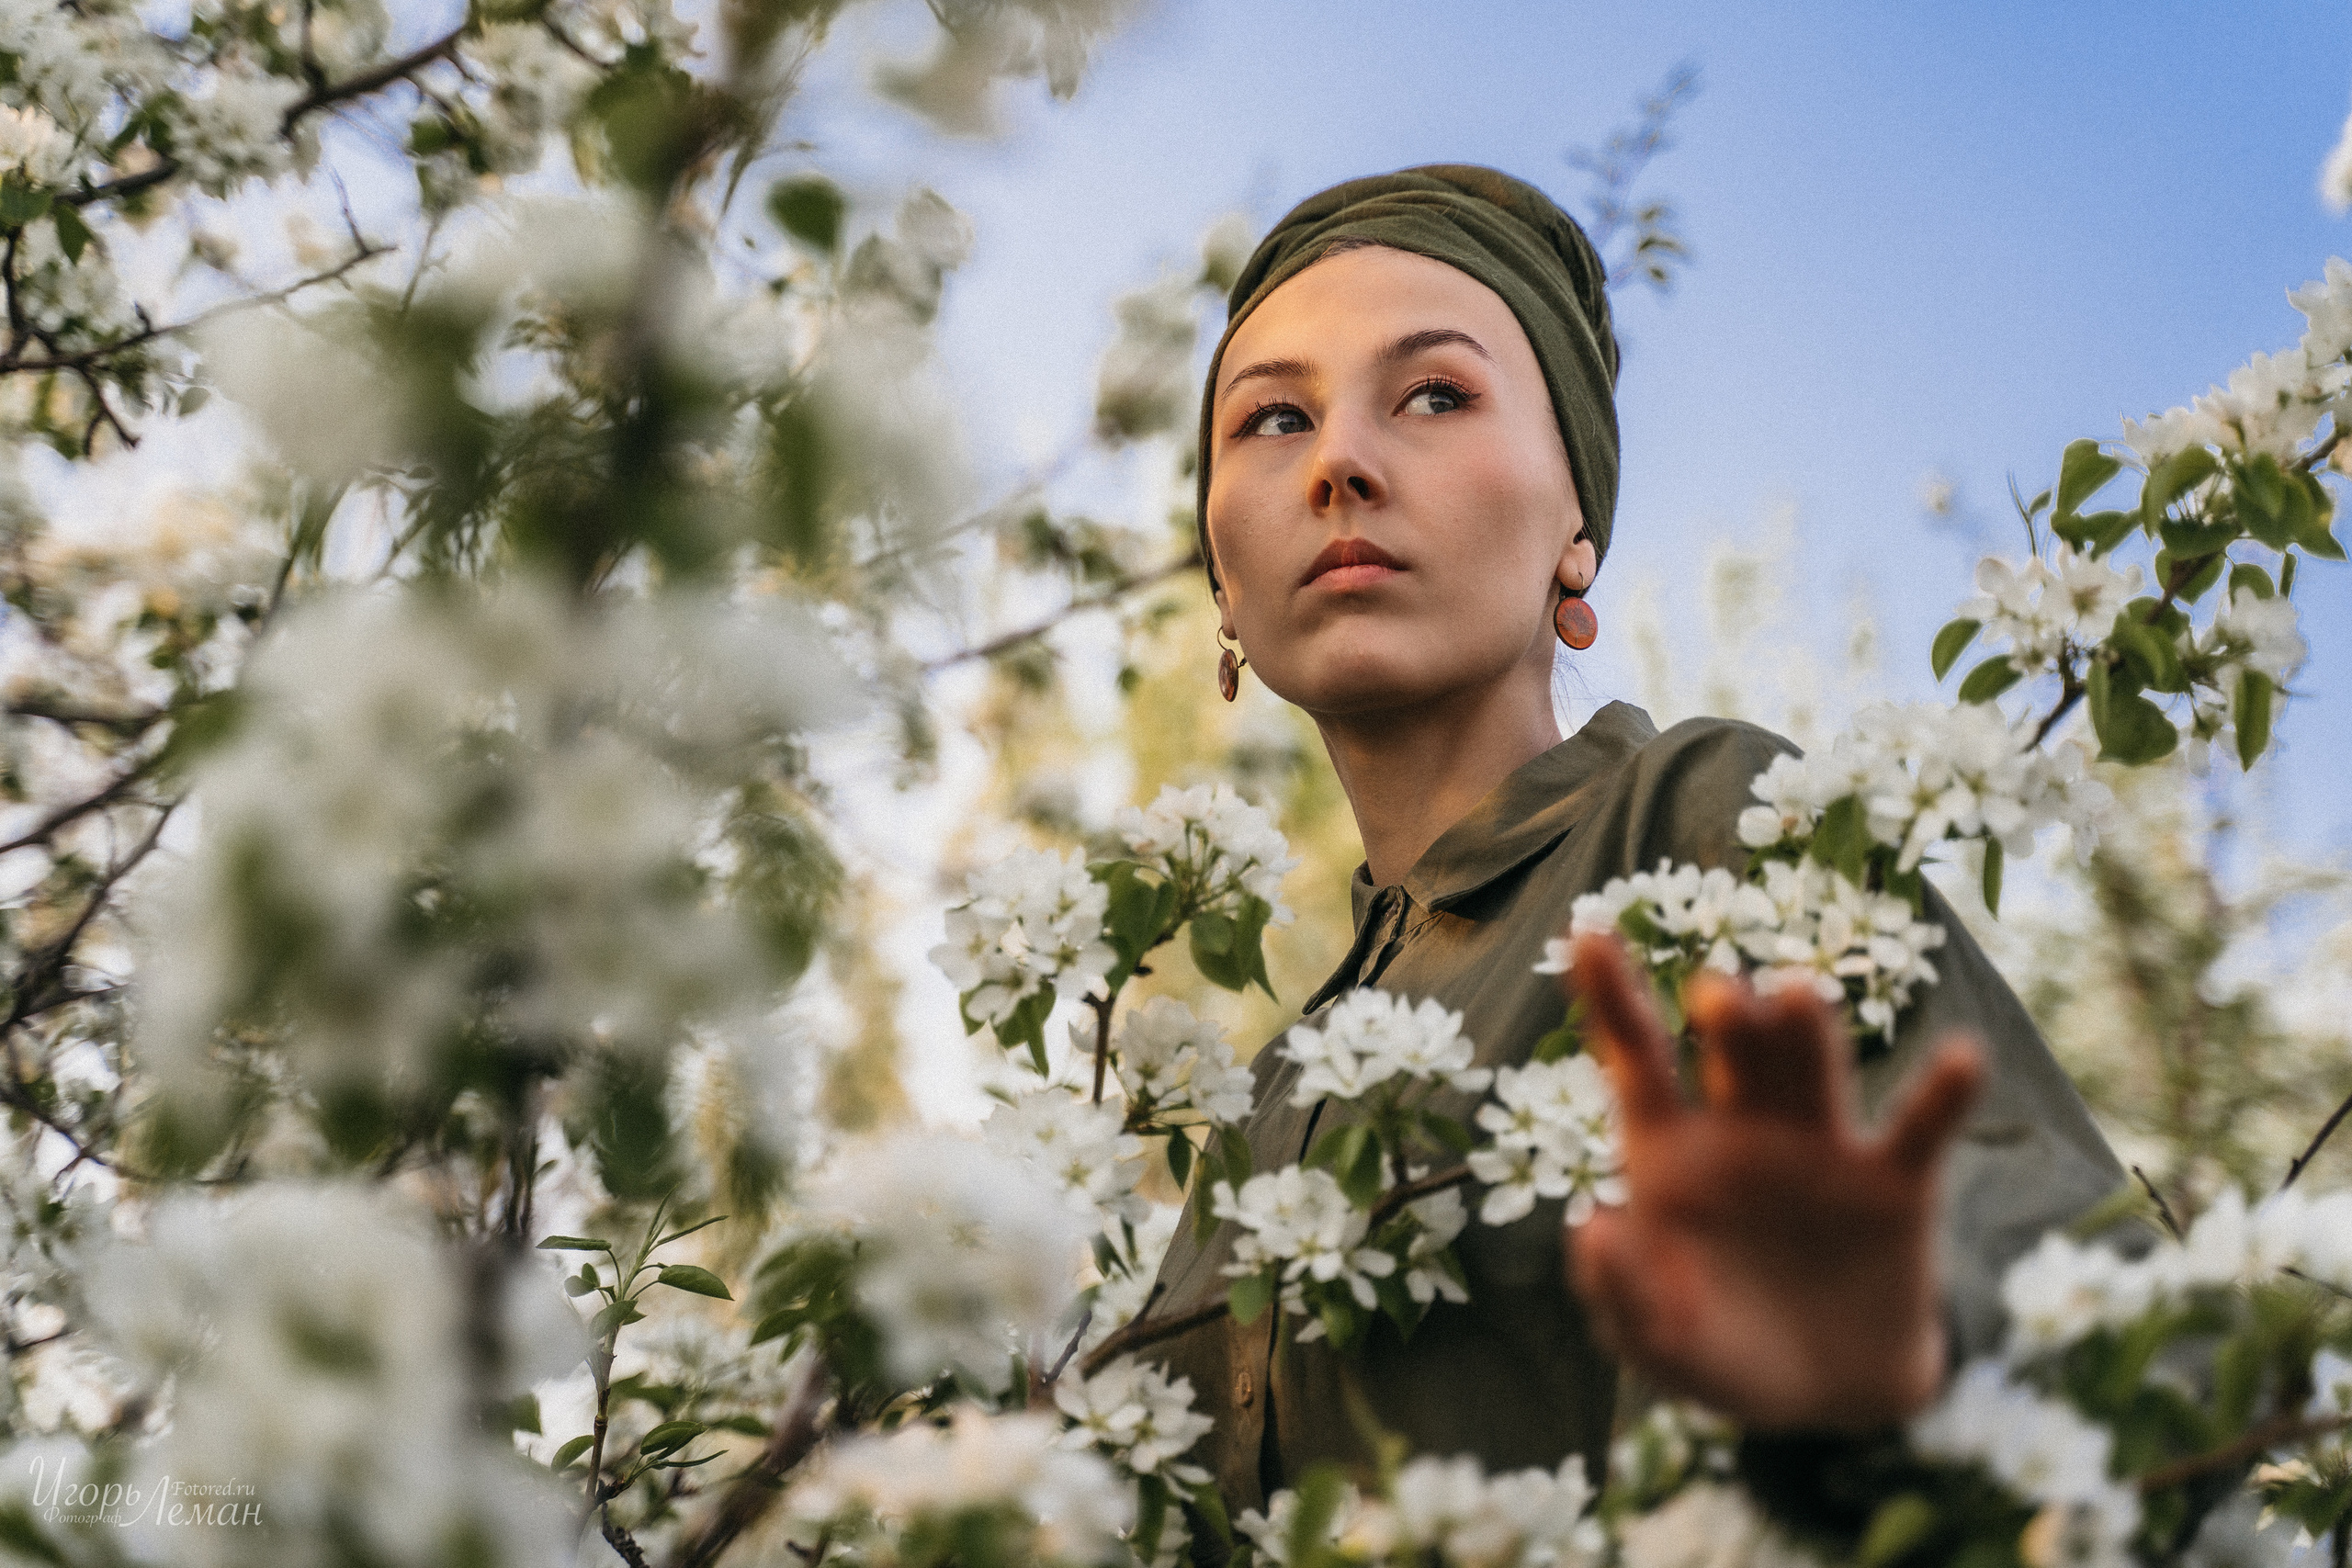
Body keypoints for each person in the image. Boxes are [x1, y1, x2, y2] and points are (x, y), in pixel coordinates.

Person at [1136, 165, 2125, 1528]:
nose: (1338, 463)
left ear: (1575, 528)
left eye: (1435, 394)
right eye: (1272, 419)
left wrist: (1881, 1395)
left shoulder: (1699, 823)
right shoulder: (1260, 1108)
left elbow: (2086, 1297)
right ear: (1222, 578)